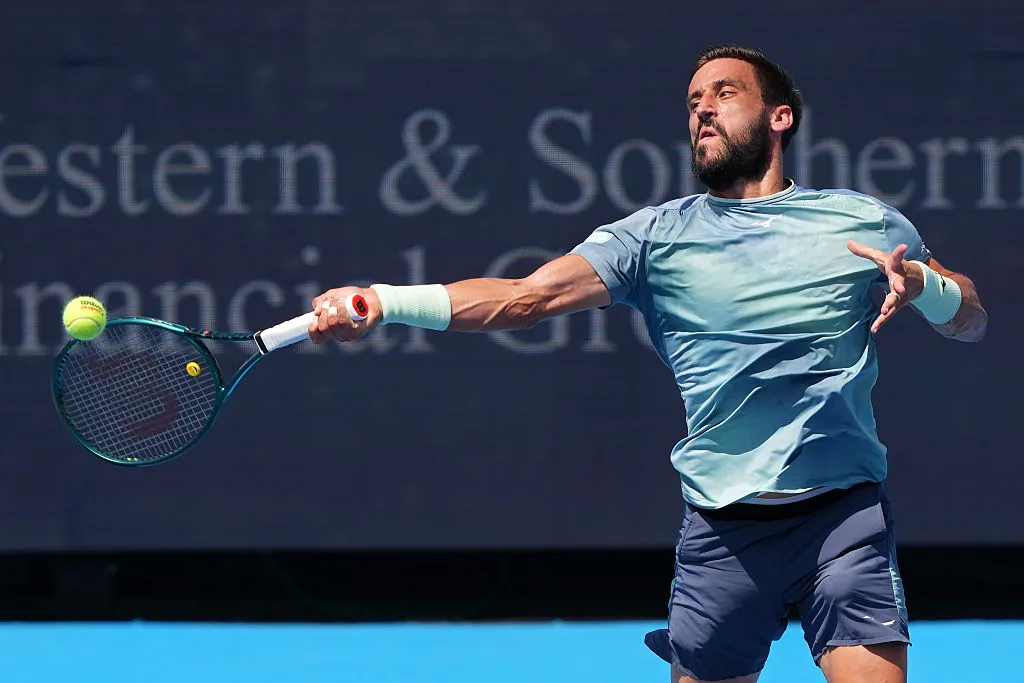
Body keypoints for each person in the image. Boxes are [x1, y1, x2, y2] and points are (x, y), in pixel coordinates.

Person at [306, 45, 988, 683]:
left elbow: (970, 318)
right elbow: (524, 297)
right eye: (693, 101)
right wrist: (385, 299)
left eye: (724, 93)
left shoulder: (861, 221)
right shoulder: (654, 238)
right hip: (723, 532)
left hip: (843, 521)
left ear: (780, 118)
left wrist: (927, 287)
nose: (703, 109)